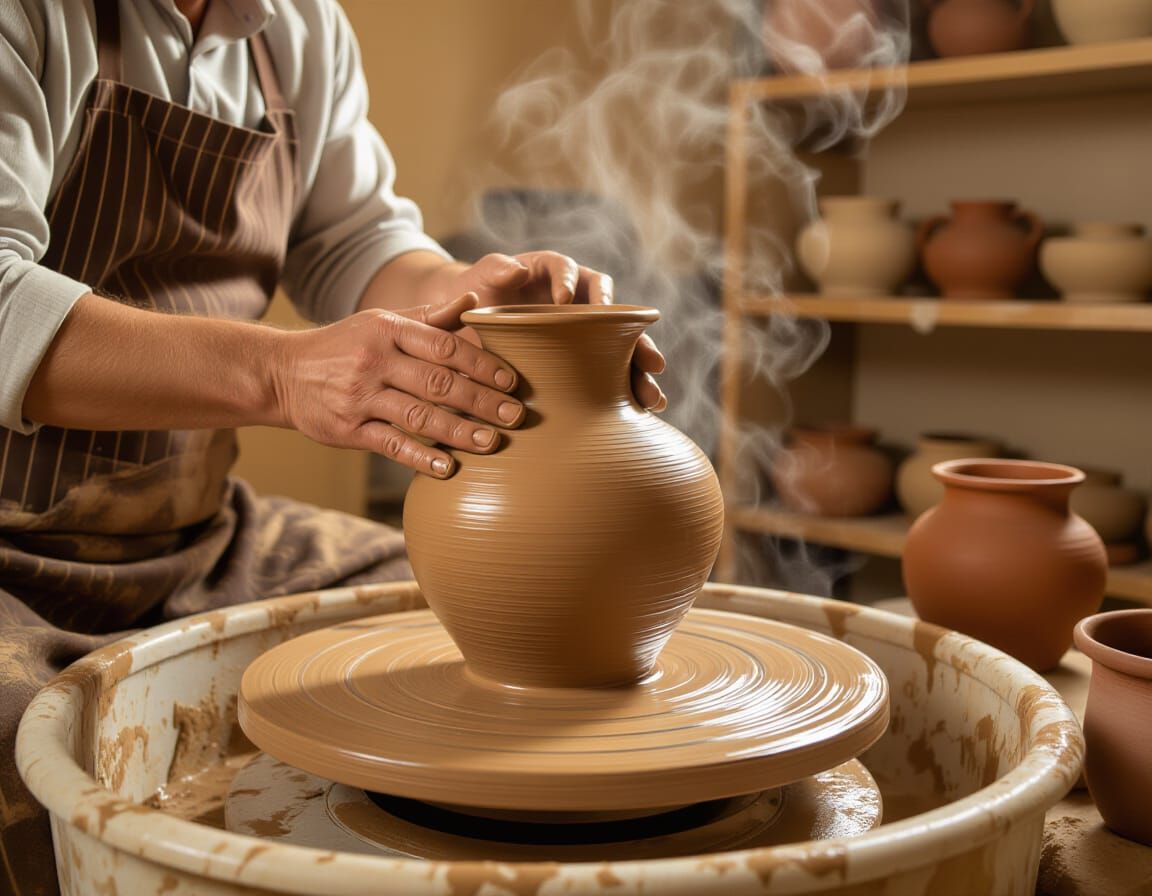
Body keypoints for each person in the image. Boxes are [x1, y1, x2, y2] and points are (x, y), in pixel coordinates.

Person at [0, 0, 667, 890]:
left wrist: (469, 296)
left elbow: (355, 239)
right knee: (41, 758)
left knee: (442, 632)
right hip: (9, 556)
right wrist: (279, 377)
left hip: (197, 538)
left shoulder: (293, 24)